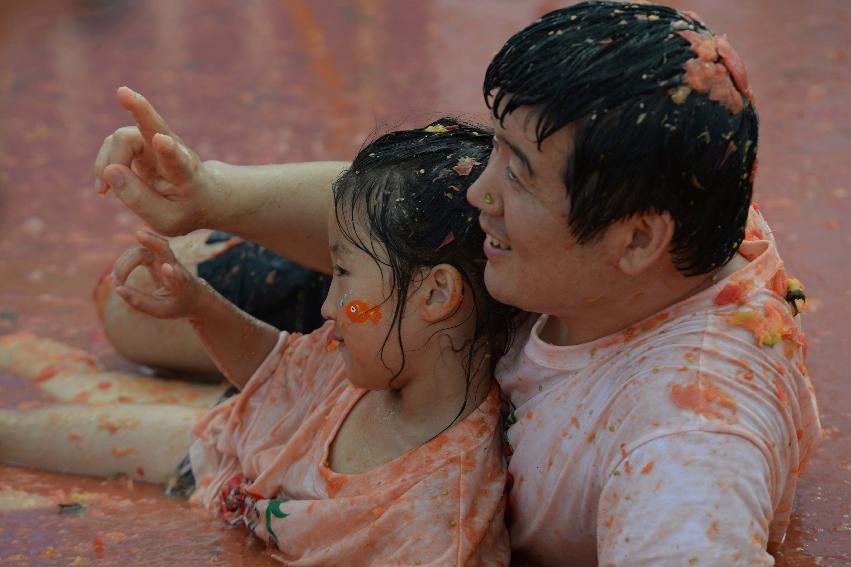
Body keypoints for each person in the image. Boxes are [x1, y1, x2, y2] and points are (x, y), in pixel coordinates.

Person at [93, 2, 821, 565]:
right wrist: (210, 192)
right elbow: (407, 211)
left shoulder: (683, 440)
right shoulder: (674, 206)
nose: (479, 191)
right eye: (496, 148)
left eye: (520, 175)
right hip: (445, 318)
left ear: (636, 238)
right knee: (137, 303)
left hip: (441, 352)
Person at [3, 120, 517, 565]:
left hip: (245, 494)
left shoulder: (436, 528)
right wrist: (197, 304)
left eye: (342, 273)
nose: (327, 303)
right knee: (13, 436)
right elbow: (274, 371)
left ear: (437, 293)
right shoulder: (378, 358)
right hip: (222, 454)